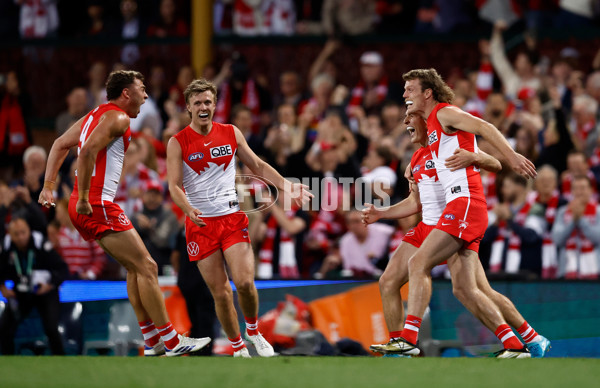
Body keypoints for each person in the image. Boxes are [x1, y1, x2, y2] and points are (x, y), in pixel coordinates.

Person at [38, 70, 211, 357]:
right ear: (126, 93)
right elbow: (87, 152)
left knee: (135, 268)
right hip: (96, 203)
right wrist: (82, 197)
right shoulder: (118, 118)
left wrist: (48, 186)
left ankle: (151, 340)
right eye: (142, 89)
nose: (146, 95)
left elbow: (59, 144)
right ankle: (170, 340)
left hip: (88, 204)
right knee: (149, 267)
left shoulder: (96, 115)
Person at [365, 112, 549, 358]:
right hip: (427, 227)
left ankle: (409, 340)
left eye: (411, 116)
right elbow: (415, 202)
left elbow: (495, 164)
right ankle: (399, 347)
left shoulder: (450, 143)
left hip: (453, 223)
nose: (406, 122)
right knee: (389, 281)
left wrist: (474, 156)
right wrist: (382, 213)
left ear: (427, 123)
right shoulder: (417, 159)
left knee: (466, 288)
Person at [166, 78, 312, 358]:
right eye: (197, 102)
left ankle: (254, 332)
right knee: (220, 293)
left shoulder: (230, 132)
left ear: (215, 104)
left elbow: (257, 164)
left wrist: (287, 186)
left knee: (244, 283)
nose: (203, 106)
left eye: (208, 101)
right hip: (200, 225)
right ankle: (237, 347)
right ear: (188, 107)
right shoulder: (178, 142)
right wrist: (187, 209)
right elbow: (173, 185)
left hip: (231, 218)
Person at [0, 217, 68, 355]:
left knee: (51, 328)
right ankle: (8, 361)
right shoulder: (6, 246)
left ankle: (61, 359)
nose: (20, 237)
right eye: (16, 234)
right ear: (10, 234)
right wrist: (2, 287)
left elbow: (62, 269)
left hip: (44, 292)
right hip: (20, 293)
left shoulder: (41, 243)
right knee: (4, 327)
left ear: (29, 231)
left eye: (23, 232)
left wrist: (50, 285)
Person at [552, 175, 600, 279]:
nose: (579, 192)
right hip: (567, 270)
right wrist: (573, 221)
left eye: (583, 188)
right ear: (571, 191)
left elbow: (598, 238)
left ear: (591, 190)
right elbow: (557, 239)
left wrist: (581, 219)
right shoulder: (562, 212)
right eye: (575, 188)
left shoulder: (598, 211)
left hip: (595, 271)